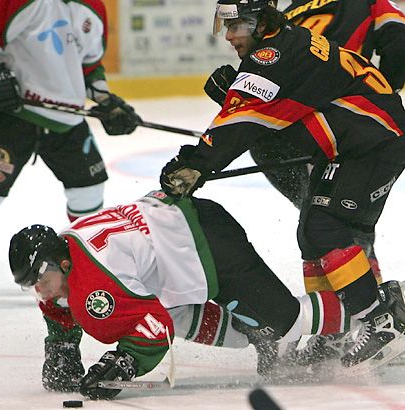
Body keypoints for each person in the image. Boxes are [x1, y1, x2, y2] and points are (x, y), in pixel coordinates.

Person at [160, 0, 405, 369]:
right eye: (226, 27)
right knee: (311, 231)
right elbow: (267, 111)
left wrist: (195, 164)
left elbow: (242, 121)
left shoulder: (273, 54)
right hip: (357, 144)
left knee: (326, 226)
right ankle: (334, 332)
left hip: (373, 144)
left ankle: (381, 318)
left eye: (237, 27)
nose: (228, 37)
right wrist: (235, 95)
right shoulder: (283, 41)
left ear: (259, 24)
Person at [8, 190, 405, 400]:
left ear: (59, 263)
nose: (37, 289)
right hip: (184, 225)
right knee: (178, 313)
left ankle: (381, 307)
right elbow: (58, 304)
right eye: (30, 282)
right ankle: (261, 335)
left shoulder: (92, 286)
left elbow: (153, 329)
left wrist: (124, 363)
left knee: (285, 321)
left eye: (38, 276)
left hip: (209, 246)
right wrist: (61, 349)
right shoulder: (67, 250)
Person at [0, 0, 141, 299]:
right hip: (11, 115)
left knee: (88, 188)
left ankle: (87, 259)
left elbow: (89, 65)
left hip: (67, 119)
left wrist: (105, 100)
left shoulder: (93, 8)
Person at [204, 0, 405, 287]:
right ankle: (363, 303)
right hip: (350, 130)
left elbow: (266, 89)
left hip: (286, 137)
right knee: (336, 223)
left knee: (315, 223)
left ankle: (338, 315)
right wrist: (383, 95)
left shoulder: (282, 18)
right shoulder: (371, 2)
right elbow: (399, 43)